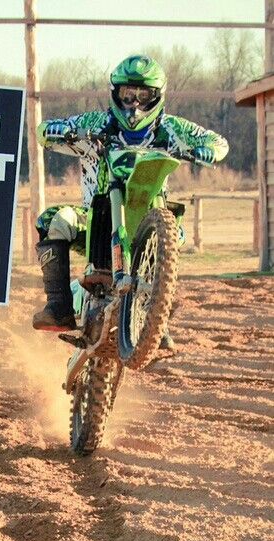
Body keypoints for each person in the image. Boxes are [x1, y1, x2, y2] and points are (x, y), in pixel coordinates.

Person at [32, 54, 229, 346]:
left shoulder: (171, 129)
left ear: (156, 96)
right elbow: (43, 131)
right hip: (95, 218)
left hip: (151, 218)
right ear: (116, 94)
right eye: (128, 94)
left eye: (143, 95)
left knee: (177, 235)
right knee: (54, 220)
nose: (135, 103)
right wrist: (60, 131)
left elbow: (218, 142)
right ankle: (58, 307)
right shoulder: (96, 123)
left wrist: (205, 152)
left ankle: (156, 322)